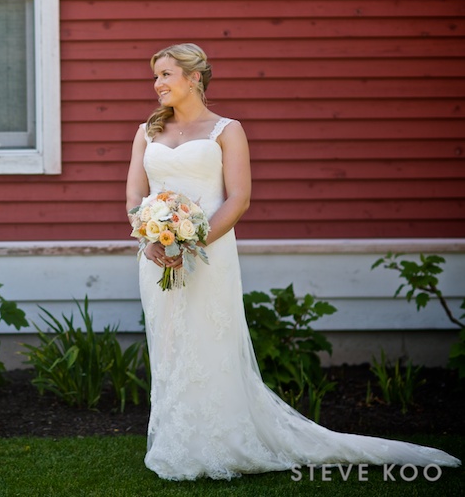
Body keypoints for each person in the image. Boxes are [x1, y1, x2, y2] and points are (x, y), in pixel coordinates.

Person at [125, 43, 460, 481]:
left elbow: (239, 198)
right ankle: (178, 441)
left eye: (166, 74)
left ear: (194, 77)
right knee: (168, 346)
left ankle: (222, 441)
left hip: (208, 253)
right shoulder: (147, 131)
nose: (158, 84)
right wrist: (148, 236)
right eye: (155, 76)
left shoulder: (227, 130)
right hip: (155, 257)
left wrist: (192, 241)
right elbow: (135, 196)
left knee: (210, 342)